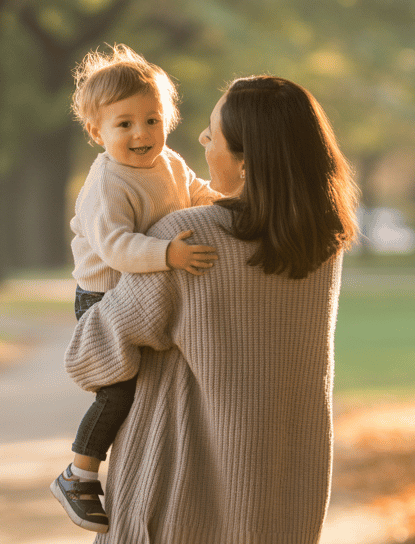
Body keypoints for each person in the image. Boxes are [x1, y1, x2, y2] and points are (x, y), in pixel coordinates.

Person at [64, 75, 360, 544]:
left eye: (214, 133)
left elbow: (90, 356)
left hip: (177, 494)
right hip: (287, 492)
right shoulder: (321, 242)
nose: (201, 138)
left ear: (245, 161)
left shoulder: (187, 239)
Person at [51, 44, 222, 534]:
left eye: (152, 120)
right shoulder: (107, 184)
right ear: (97, 132)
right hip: (103, 298)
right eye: (124, 124)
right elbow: (116, 247)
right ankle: (78, 473)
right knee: (117, 390)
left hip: (139, 291)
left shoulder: (169, 162)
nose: (141, 134)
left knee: (151, 384)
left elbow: (198, 195)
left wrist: (234, 206)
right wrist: (168, 254)